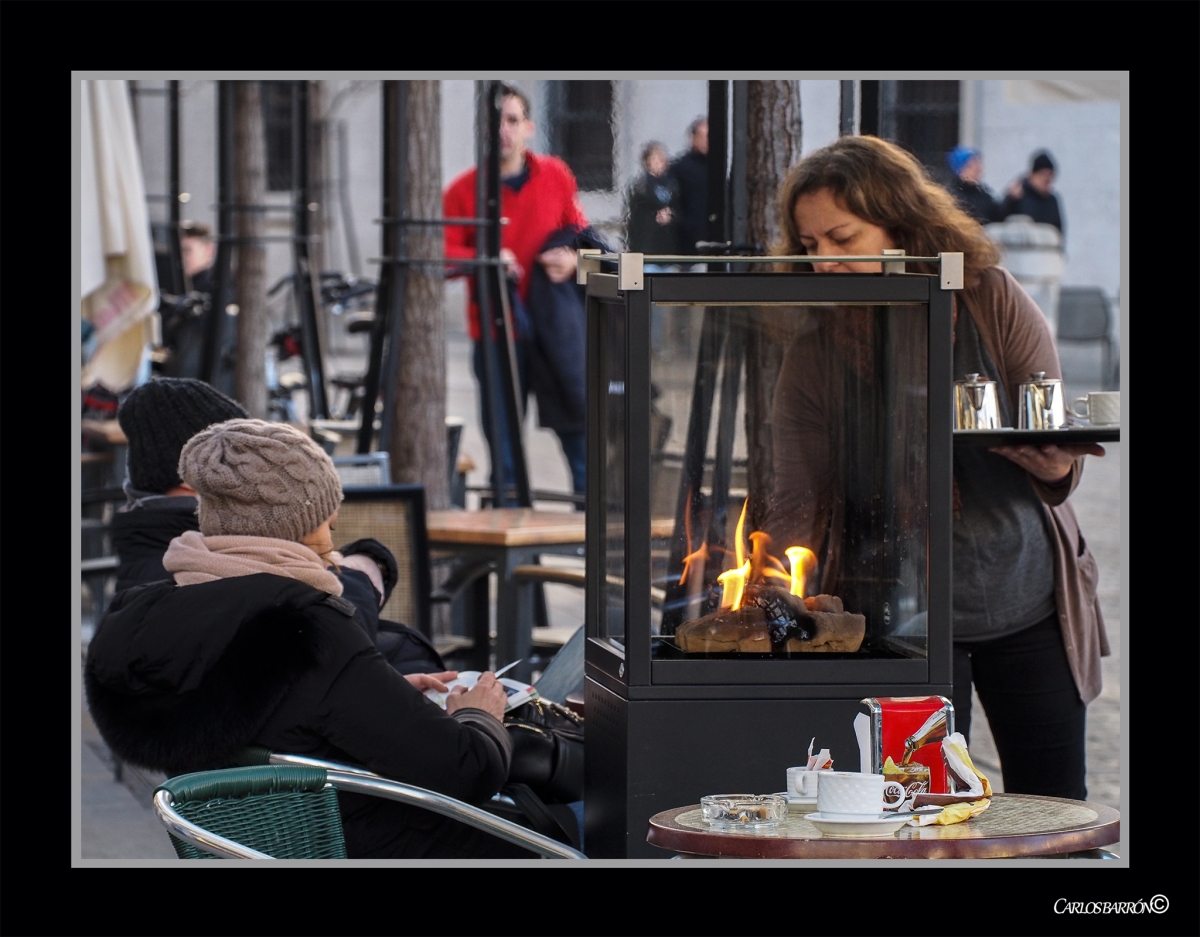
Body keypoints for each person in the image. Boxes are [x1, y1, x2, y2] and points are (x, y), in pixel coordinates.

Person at [770, 135, 1106, 801]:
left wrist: (1054, 460)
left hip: (1025, 598)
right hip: (898, 618)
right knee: (912, 811)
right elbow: (792, 497)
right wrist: (779, 591)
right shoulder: (814, 350)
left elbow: (1056, 439)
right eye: (810, 248)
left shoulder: (990, 298)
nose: (824, 263)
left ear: (902, 225)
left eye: (842, 238)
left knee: (1052, 813)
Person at [84, 418, 534, 858]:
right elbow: (469, 770)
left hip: (258, 847)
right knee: (561, 821)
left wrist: (377, 690)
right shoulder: (308, 625)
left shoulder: (149, 613)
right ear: (293, 526)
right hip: (365, 841)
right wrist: (479, 715)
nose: (331, 544)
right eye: (328, 525)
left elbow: (285, 718)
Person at [111, 377, 446, 675]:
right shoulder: (199, 560)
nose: (256, 470)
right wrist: (362, 570)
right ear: (192, 480)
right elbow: (323, 635)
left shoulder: (165, 548)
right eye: (240, 460)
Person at [443, 84, 590, 502]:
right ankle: (515, 553)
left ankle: (591, 540)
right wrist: (488, 257)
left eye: (511, 120)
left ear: (528, 126)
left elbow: (580, 231)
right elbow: (441, 251)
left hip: (555, 328)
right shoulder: (463, 190)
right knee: (504, 446)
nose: (503, 131)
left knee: (577, 434)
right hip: (494, 329)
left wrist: (574, 262)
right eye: (494, 122)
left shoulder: (556, 175)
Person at [624, 141, 681, 258]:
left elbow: (679, 208)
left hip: (668, 245)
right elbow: (634, 216)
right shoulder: (640, 186)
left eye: (661, 160)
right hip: (647, 245)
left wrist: (671, 215)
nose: (659, 164)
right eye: (655, 160)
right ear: (647, 162)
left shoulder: (672, 185)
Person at [1001, 150, 1065, 239]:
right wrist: (1010, 200)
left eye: (1050, 175)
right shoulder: (1018, 196)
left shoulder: (1052, 200)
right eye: (1043, 175)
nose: (1046, 180)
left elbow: (1059, 231)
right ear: (1033, 175)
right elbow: (1000, 219)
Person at [670, 117, 708, 256]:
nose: (706, 141)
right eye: (702, 136)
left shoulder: (718, 167)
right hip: (687, 244)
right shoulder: (679, 169)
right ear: (693, 138)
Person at [946, 146, 1005, 225]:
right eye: (971, 166)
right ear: (959, 169)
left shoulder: (984, 195)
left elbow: (999, 217)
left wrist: (1011, 200)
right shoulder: (949, 196)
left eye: (978, 165)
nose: (978, 170)